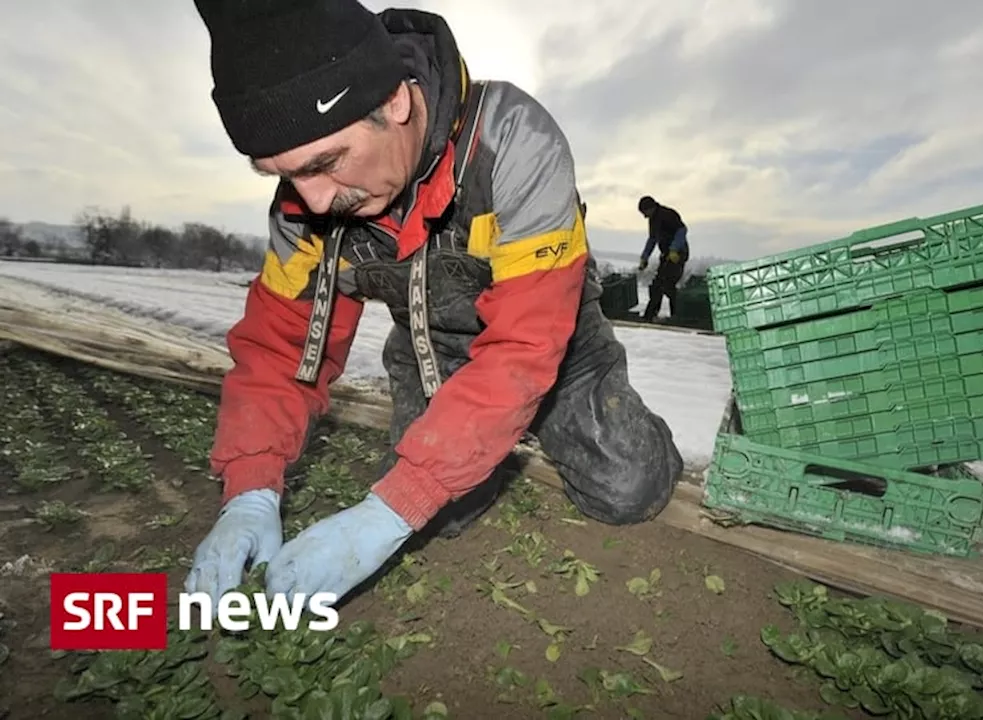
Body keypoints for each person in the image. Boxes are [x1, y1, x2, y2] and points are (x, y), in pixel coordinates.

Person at [185, 0, 683, 604]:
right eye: (282, 175)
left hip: (554, 344)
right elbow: (281, 348)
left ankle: (564, 419)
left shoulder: (514, 142)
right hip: (435, 352)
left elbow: (525, 347)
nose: (312, 201)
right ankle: (483, 434)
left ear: (394, 101)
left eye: (325, 163)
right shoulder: (308, 207)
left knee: (632, 485)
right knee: (441, 517)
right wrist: (251, 490)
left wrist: (394, 507)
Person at [636, 196, 689, 322]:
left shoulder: (668, 214)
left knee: (667, 284)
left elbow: (682, 230)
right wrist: (645, 257)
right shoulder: (653, 220)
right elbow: (652, 239)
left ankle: (676, 316)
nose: (644, 216)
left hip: (678, 254)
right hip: (666, 255)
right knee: (658, 284)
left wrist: (674, 249)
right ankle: (651, 315)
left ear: (650, 208)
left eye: (645, 213)